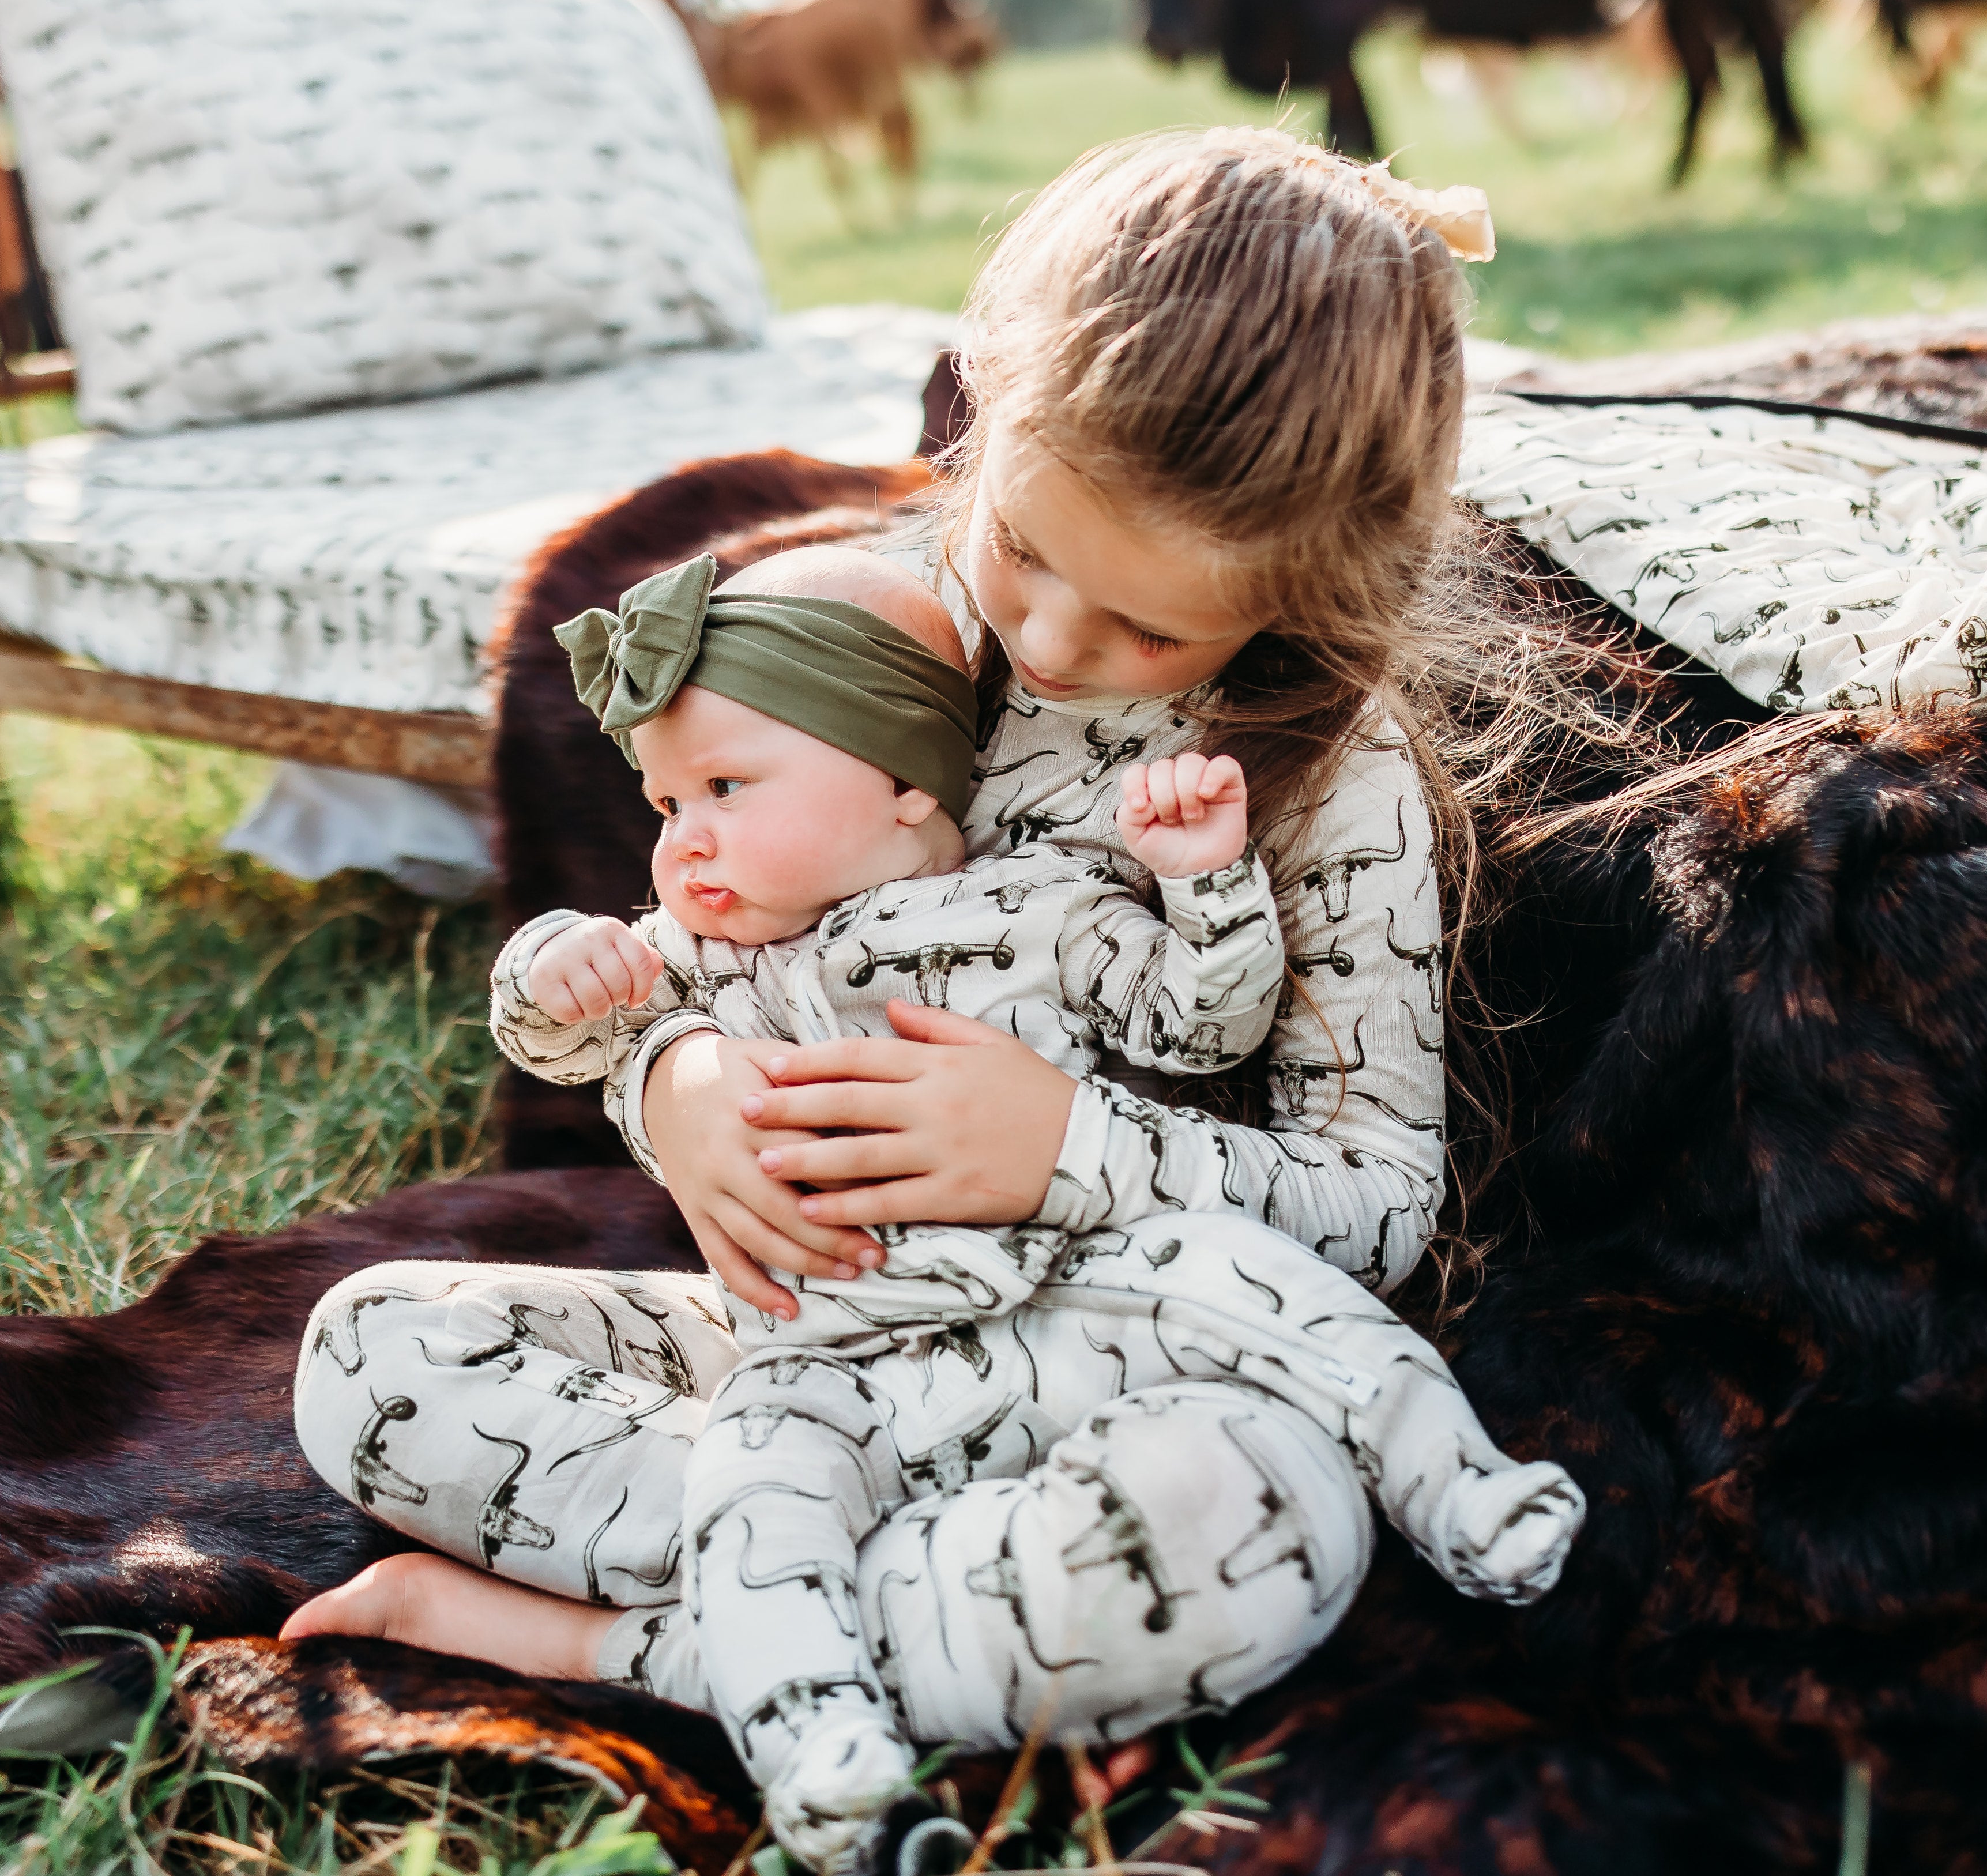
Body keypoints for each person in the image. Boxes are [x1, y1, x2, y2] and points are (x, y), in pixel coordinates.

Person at [285, 124, 1503, 1861]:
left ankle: (649, 1644)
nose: (1057, 643)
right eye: (1023, 548)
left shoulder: (1328, 780)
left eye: (1148, 630)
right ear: (982, 409)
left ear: (1311, 591)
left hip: (1125, 1367)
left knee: (1246, 1530)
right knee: (369, 1352)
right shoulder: (892, 633)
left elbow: (1380, 1211)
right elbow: (708, 918)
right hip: (808, 1356)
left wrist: (1061, 1145)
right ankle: (855, 1612)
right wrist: (678, 1078)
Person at [375, 541, 1579, 1871]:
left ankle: (1459, 1490)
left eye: (721, 789)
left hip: (1084, 1312)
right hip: (822, 1352)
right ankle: (850, 1736)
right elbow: (553, 1025)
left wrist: (1206, 883)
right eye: (666, 806)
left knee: (1248, 1328)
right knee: (408, 1356)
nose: (684, 839)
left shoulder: (1042, 910)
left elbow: (1200, 1018)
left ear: (901, 788)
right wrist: (619, 1024)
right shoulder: (714, 947)